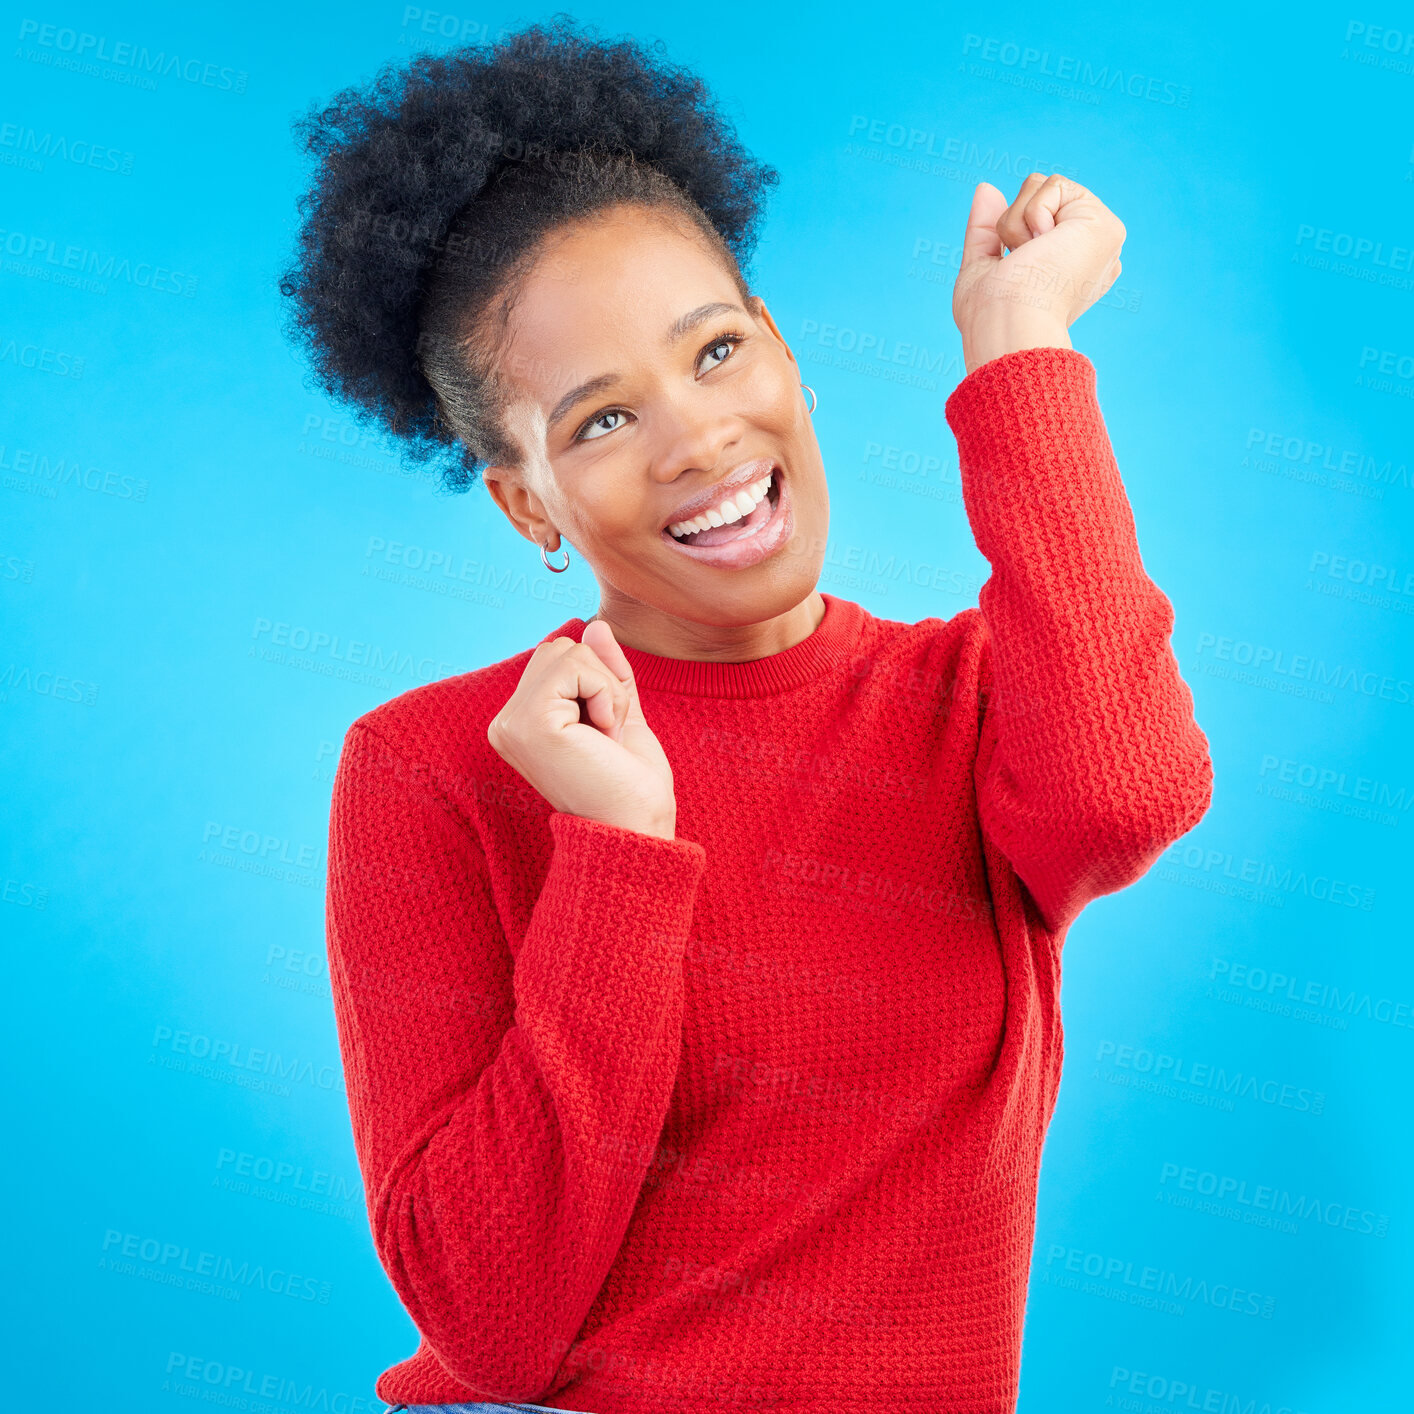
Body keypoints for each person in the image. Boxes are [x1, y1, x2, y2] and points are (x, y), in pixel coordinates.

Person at [281, 16, 1213, 1414]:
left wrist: (1014, 342)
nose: (699, 438)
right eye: (599, 420)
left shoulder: (966, 700)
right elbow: (488, 1325)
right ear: (527, 501)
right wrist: (617, 863)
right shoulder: (430, 767)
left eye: (715, 352)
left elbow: (1124, 793)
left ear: (781, 349)